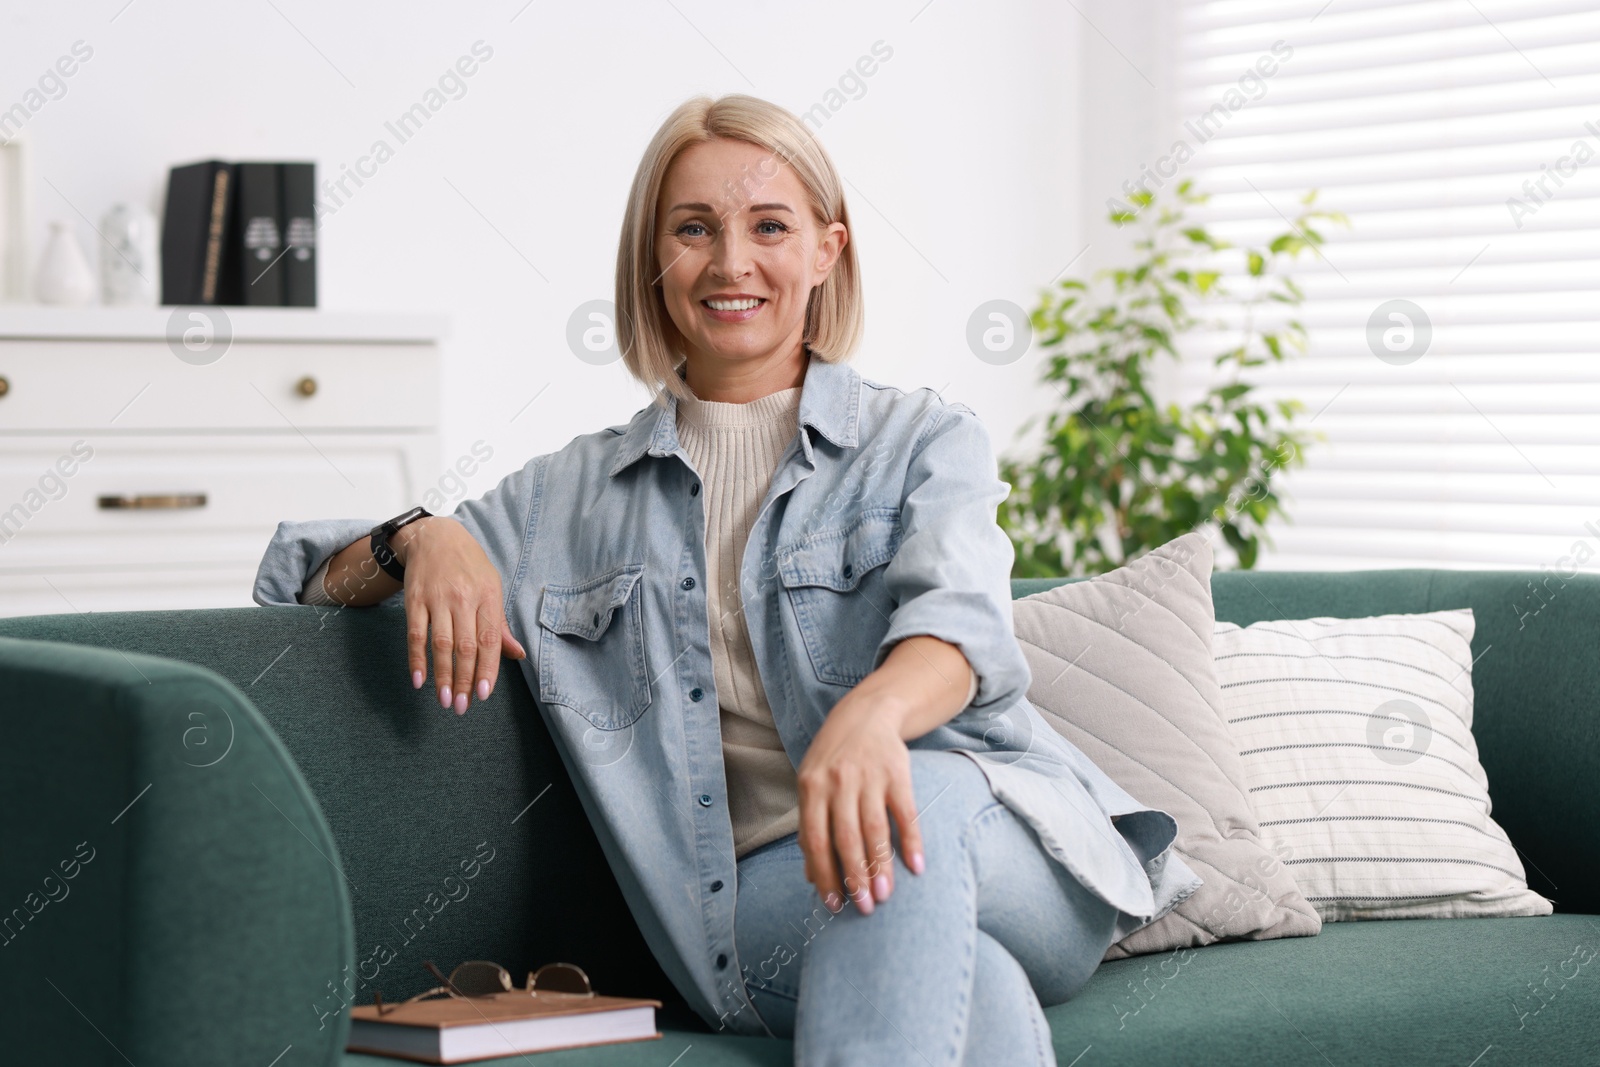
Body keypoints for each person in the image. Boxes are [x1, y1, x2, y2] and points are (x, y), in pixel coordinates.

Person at [253, 92, 1200, 1067]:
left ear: (827, 251)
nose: (731, 262)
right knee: (961, 980)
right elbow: (298, 588)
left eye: (769, 226)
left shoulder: (922, 439)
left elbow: (960, 625)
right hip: (762, 902)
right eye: (694, 228)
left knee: (907, 802)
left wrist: (870, 719)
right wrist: (421, 532)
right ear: (653, 258)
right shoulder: (564, 500)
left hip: (993, 839)